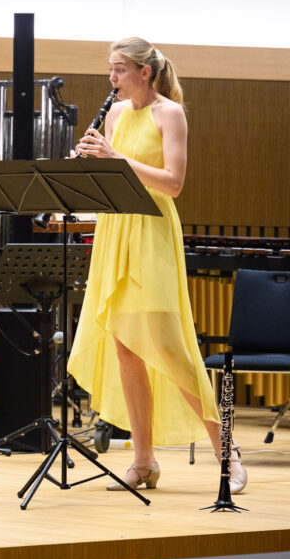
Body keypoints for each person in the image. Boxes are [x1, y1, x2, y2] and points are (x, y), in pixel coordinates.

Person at [67, 38, 247, 494]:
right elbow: (109, 181)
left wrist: (115, 159)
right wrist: (87, 168)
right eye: (110, 70)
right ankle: (143, 462)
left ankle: (228, 452)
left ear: (144, 72)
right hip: (115, 229)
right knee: (127, 348)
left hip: (151, 230)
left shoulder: (170, 113)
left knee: (170, 348)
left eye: (120, 70)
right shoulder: (114, 115)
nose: (112, 79)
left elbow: (174, 183)